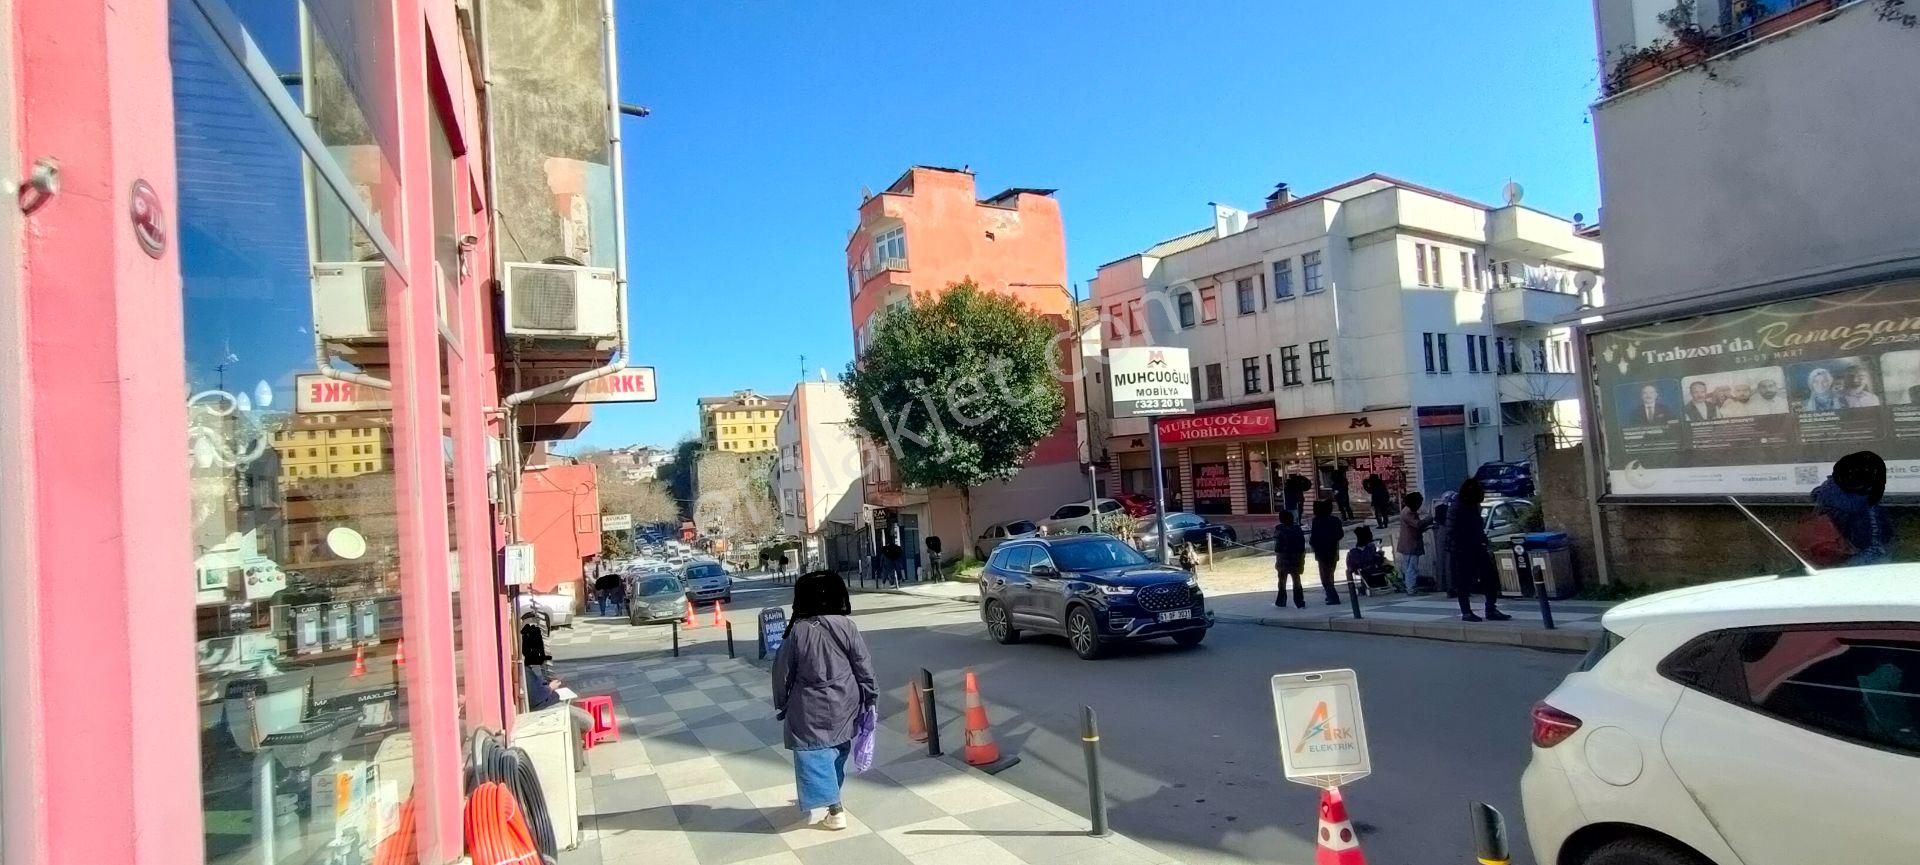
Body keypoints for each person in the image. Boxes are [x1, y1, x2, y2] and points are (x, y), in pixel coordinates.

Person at [771, 571, 876, 831]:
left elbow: (782, 671)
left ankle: (835, 808)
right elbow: (863, 665)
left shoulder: (797, 631)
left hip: (809, 705)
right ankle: (833, 801)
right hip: (845, 700)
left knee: (814, 754)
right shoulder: (846, 626)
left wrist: (781, 702)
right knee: (839, 749)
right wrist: (870, 696)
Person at [1811, 451, 1894, 567]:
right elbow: (1857, 509)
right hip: (1868, 545)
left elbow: (1815, 494)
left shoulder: (1829, 487)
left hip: (1845, 542)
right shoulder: (1863, 493)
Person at [1447, 478, 1510, 622]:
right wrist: (1461, 546)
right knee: (1464, 582)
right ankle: (1467, 612)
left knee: (1490, 577)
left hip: (1476, 546)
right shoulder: (1458, 507)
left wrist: (1481, 540)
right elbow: (1452, 531)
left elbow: (1476, 526)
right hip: (1462, 550)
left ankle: (1490, 608)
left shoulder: (1472, 505)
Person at [1395, 492, 1434, 594]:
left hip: (1409, 543)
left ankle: (1410, 586)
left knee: (1409, 566)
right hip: (1410, 544)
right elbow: (1418, 524)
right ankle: (1411, 588)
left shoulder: (1407, 510)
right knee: (1412, 567)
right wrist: (1430, 518)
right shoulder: (1408, 513)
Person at [1308, 499, 1345, 605]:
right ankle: (1329, 595)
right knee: (1330, 573)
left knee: (1325, 576)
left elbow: (1313, 537)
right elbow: (1340, 534)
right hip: (1333, 550)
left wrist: (1314, 544)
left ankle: (1333, 597)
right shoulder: (1335, 520)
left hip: (1321, 552)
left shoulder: (1317, 521)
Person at [1272, 510, 1308, 608]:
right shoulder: (1297, 529)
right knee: (1296, 580)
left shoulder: (1279, 530)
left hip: (1283, 558)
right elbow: (1302, 544)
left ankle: (1281, 601)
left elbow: (1277, 547)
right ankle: (1299, 602)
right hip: (1296, 557)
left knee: (1282, 581)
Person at [1346, 526, 1388, 594]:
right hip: (1369, 568)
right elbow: (1370, 558)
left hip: (1367, 568)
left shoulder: (1355, 551)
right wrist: (1379, 555)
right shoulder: (1369, 548)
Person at [1431, 501, 1454, 596]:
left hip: (1441, 533)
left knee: (1440, 561)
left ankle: (1441, 585)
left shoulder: (1439, 509)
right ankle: (1450, 586)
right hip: (1447, 537)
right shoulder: (1449, 512)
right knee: (1449, 563)